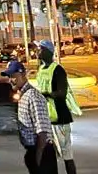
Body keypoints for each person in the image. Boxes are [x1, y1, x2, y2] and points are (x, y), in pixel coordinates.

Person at [3, 60, 56, 174]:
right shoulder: (23, 95)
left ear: (23, 74)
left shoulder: (33, 96)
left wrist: (37, 161)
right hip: (33, 151)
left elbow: (42, 133)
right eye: (9, 77)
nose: (10, 80)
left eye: (13, 76)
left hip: (42, 154)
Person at [34, 40, 77, 174]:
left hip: (60, 117)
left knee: (66, 155)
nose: (37, 52)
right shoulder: (40, 69)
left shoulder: (58, 70)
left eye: (40, 49)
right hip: (45, 118)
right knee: (49, 155)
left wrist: (45, 95)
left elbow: (62, 93)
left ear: (48, 52)